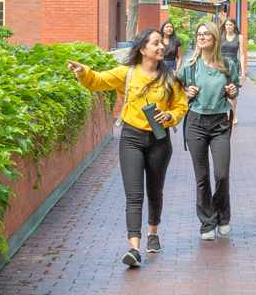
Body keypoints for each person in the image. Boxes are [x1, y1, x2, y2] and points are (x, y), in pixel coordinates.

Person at [67, 29, 188, 268]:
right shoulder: (127, 73)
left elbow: (181, 107)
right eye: (156, 43)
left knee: (155, 191)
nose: (161, 46)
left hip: (159, 141)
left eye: (161, 43)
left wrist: (170, 116)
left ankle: (153, 233)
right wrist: (83, 72)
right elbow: (99, 81)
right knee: (133, 196)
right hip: (131, 139)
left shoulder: (171, 78)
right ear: (143, 49)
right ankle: (134, 248)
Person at [178, 21, 241, 241]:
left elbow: (233, 93)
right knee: (202, 177)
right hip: (195, 123)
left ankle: (223, 218)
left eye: (206, 34)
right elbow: (178, 97)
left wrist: (232, 92)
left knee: (222, 175)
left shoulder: (227, 65)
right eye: (199, 34)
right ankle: (208, 223)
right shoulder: (189, 66)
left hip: (219, 124)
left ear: (215, 38)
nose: (202, 37)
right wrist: (188, 94)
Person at [220, 17, 247, 124]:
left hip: (234, 66)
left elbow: (241, 55)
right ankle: (226, 114)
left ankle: (233, 113)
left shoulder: (239, 37)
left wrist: (243, 71)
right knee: (223, 90)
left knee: (233, 90)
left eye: (230, 25)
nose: (228, 27)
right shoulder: (221, 37)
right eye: (227, 25)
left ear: (234, 25)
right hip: (221, 65)